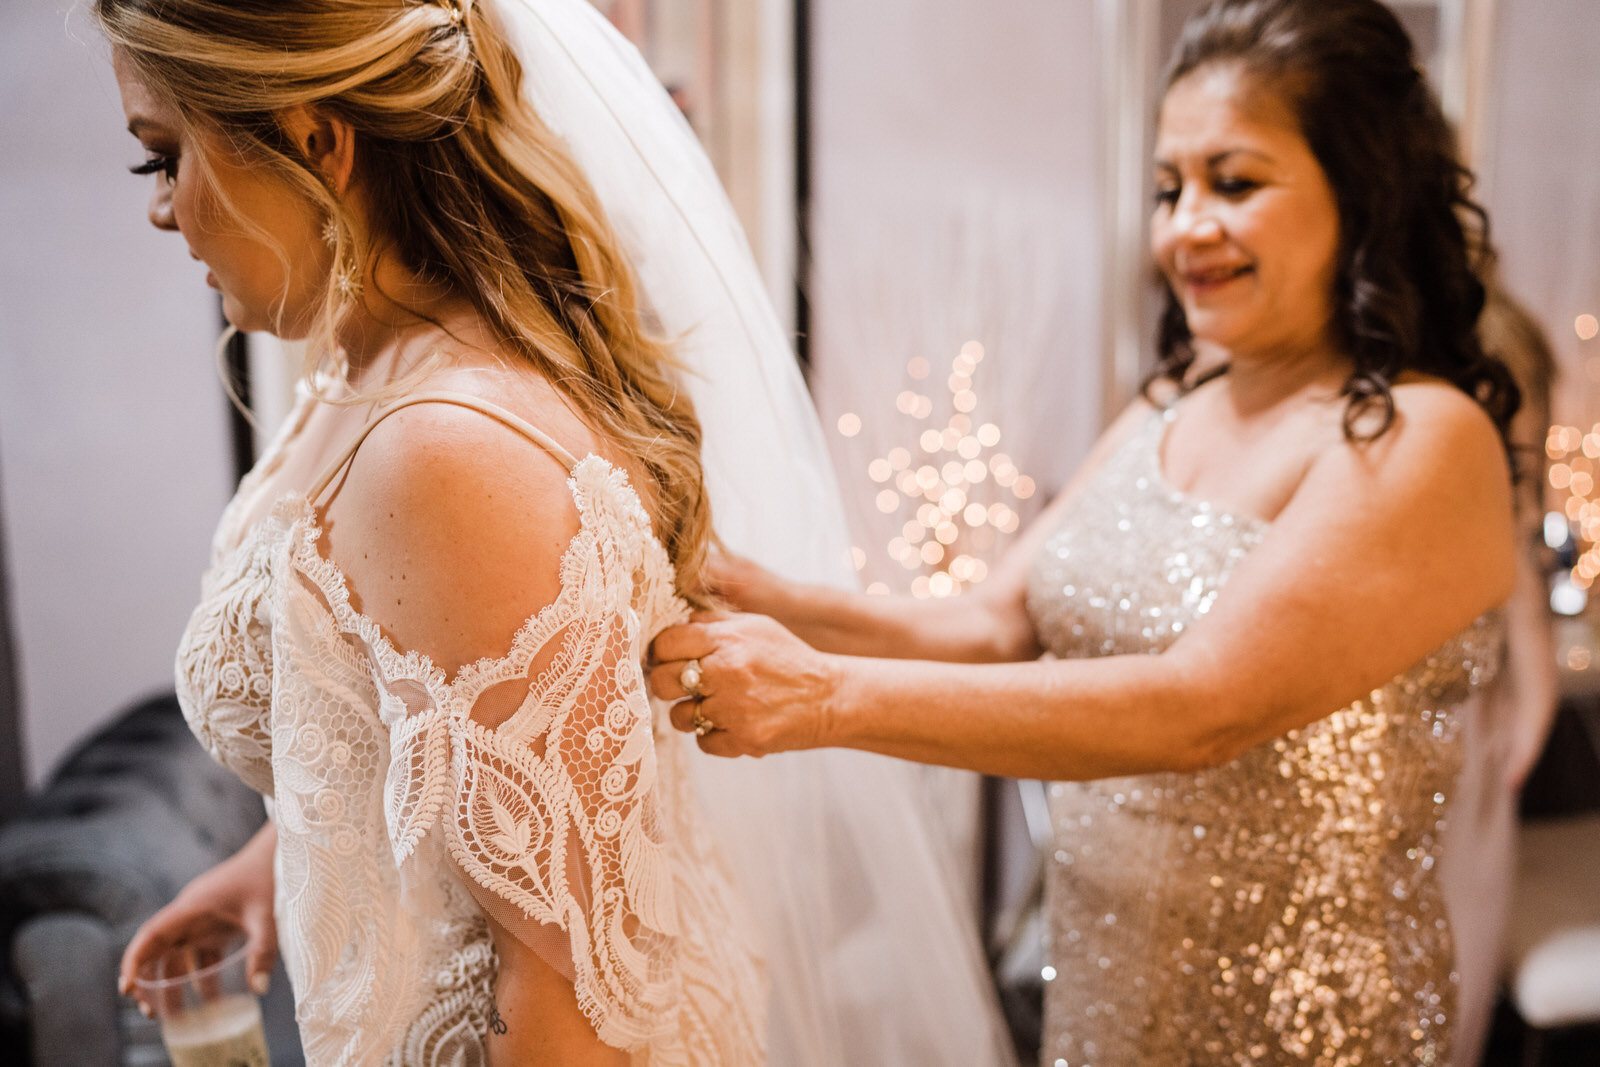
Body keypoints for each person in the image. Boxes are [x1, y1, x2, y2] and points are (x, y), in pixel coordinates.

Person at [105, 0, 1013, 1062]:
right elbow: (418, 720)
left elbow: (571, 995)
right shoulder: (371, 365)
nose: (162, 211)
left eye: (163, 158)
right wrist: (277, 856)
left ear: (316, 141)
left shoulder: (445, 449)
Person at [649, 0, 1522, 1062]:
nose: (1183, 226)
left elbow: (1199, 704)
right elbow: (991, 621)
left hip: (1304, 1026)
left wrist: (826, 696)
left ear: (1363, 189)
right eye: (1168, 188)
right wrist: (751, 585)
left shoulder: (1424, 437)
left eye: (1233, 182)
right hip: (1108, 991)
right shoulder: (1175, 399)